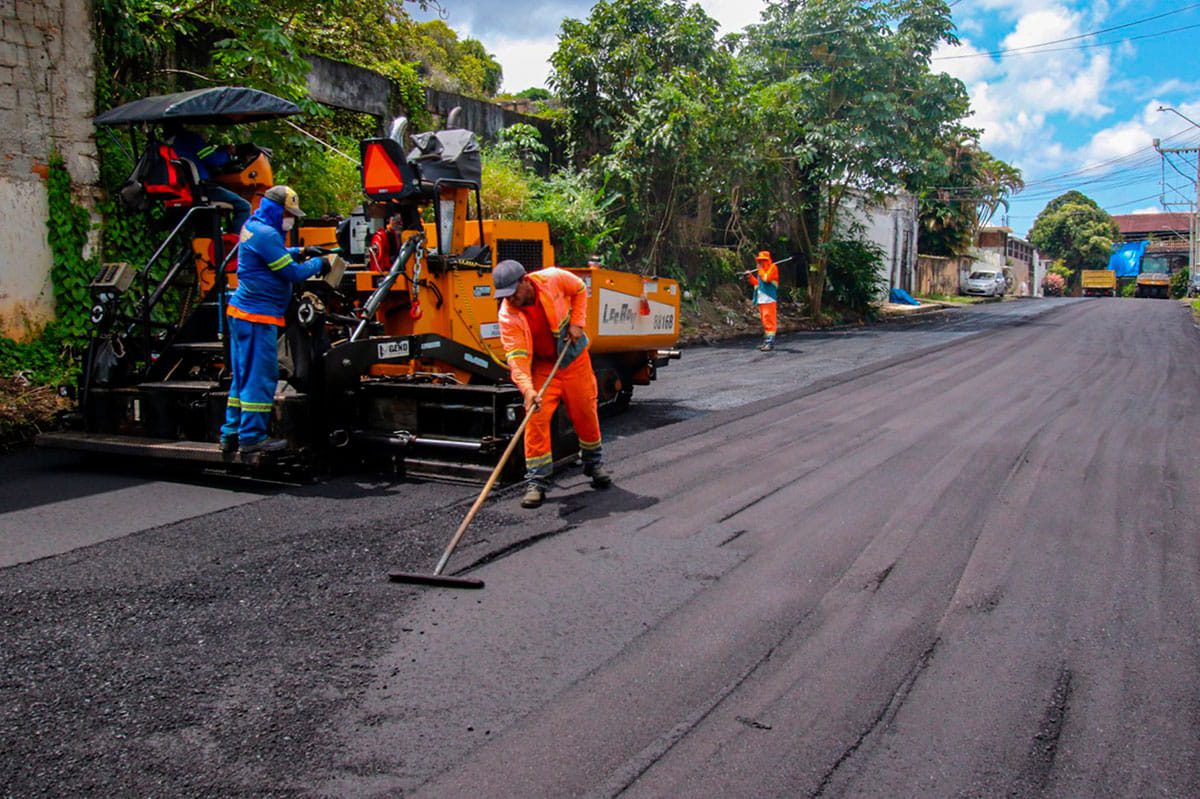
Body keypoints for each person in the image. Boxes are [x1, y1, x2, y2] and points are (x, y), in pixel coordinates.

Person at [220, 185, 332, 457]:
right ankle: (252, 438)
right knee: (261, 377)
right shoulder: (267, 234)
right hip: (257, 317)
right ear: (276, 210)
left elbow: (272, 255)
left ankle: (231, 433)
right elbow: (292, 273)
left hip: (243, 313)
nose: (290, 219)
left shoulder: (255, 226)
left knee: (242, 377)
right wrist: (320, 263)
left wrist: (300, 250)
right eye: (288, 213)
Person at [494, 259, 612, 508]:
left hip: (573, 360)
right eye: (506, 296)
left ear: (525, 280)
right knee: (535, 417)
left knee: (585, 412)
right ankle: (537, 482)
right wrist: (528, 390)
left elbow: (580, 288)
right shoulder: (507, 315)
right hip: (543, 367)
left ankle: (593, 464)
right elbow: (517, 358)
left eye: (514, 293)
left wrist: (577, 322)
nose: (511, 300)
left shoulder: (552, 279)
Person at [165, 125, 252, 231]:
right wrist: (228, 153)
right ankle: (239, 245)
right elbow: (213, 159)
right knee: (243, 206)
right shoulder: (191, 138)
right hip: (203, 189)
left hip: (185, 190)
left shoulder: (170, 145)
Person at [748, 250, 779, 351]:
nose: (761, 263)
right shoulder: (761, 271)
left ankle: (770, 343)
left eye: (763, 260)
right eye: (760, 261)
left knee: (769, 320)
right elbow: (758, 284)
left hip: (769, 298)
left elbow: (766, 279)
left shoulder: (772, 267)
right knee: (765, 321)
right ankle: (766, 341)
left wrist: (760, 270)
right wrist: (750, 277)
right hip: (762, 299)